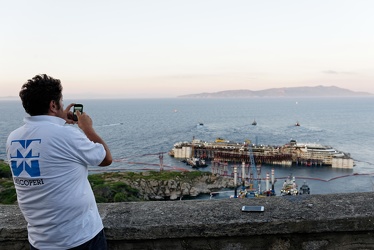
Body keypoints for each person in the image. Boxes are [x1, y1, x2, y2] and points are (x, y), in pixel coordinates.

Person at [6, 74, 112, 250]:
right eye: (61, 102)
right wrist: (87, 128)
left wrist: (59, 121)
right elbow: (105, 159)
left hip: (40, 242)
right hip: (79, 238)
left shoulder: (13, 138)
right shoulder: (66, 134)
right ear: (53, 105)